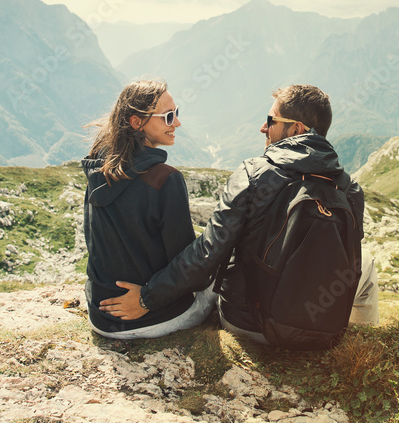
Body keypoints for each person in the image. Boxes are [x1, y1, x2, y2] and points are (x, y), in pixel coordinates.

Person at [99, 84, 379, 343]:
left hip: (250, 324)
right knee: (366, 262)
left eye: (271, 121)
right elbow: (345, 252)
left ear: (296, 130)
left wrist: (147, 298)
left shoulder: (253, 173)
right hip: (323, 331)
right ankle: (359, 342)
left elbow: (208, 252)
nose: (262, 127)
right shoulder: (349, 188)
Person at [82, 78, 216, 339]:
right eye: (167, 116)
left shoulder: (99, 168)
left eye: (176, 113)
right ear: (136, 122)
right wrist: (146, 299)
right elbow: (186, 269)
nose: (177, 122)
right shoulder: (165, 180)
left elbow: (92, 239)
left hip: (101, 315)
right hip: (148, 319)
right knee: (220, 274)